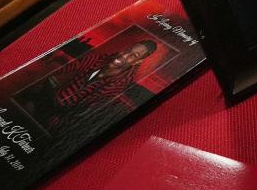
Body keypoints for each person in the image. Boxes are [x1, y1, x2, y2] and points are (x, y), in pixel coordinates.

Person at [20, 40, 157, 133]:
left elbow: (86, 109)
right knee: (25, 105)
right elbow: (71, 67)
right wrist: (47, 71)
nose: (124, 55)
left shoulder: (120, 83)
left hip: (62, 115)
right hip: (49, 98)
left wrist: (61, 121)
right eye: (128, 50)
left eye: (133, 56)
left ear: (137, 61)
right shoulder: (101, 58)